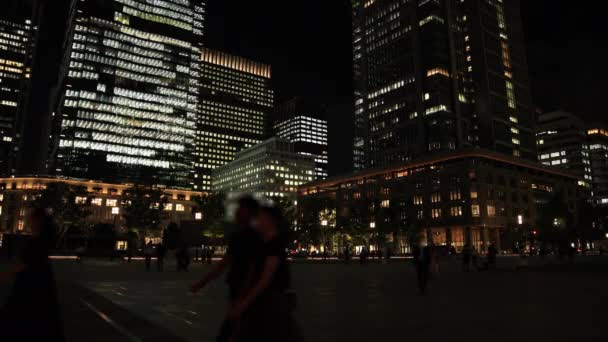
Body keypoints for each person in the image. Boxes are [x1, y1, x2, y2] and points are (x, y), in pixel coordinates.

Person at [190, 195, 263, 340]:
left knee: (234, 329)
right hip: (238, 287)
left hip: (244, 289)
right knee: (236, 327)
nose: (237, 212)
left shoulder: (252, 236)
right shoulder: (239, 235)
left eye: (241, 209)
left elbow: (252, 267)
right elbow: (224, 263)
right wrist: (201, 283)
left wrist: (244, 296)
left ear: (250, 213)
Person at [227, 205, 300, 341]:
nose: (257, 222)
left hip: (273, 304)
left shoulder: (274, 245)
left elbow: (265, 279)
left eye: (260, 218)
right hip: (266, 304)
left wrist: (243, 304)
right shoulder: (265, 245)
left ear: (270, 221)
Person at [0, 208, 65, 340]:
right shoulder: (41, 239)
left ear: (37, 221)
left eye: (30, 218)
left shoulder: (36, 241)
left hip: (30, 283)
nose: (27, 220)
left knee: (24, 315)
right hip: (41, 281)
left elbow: (26, 263)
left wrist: (6, 274)